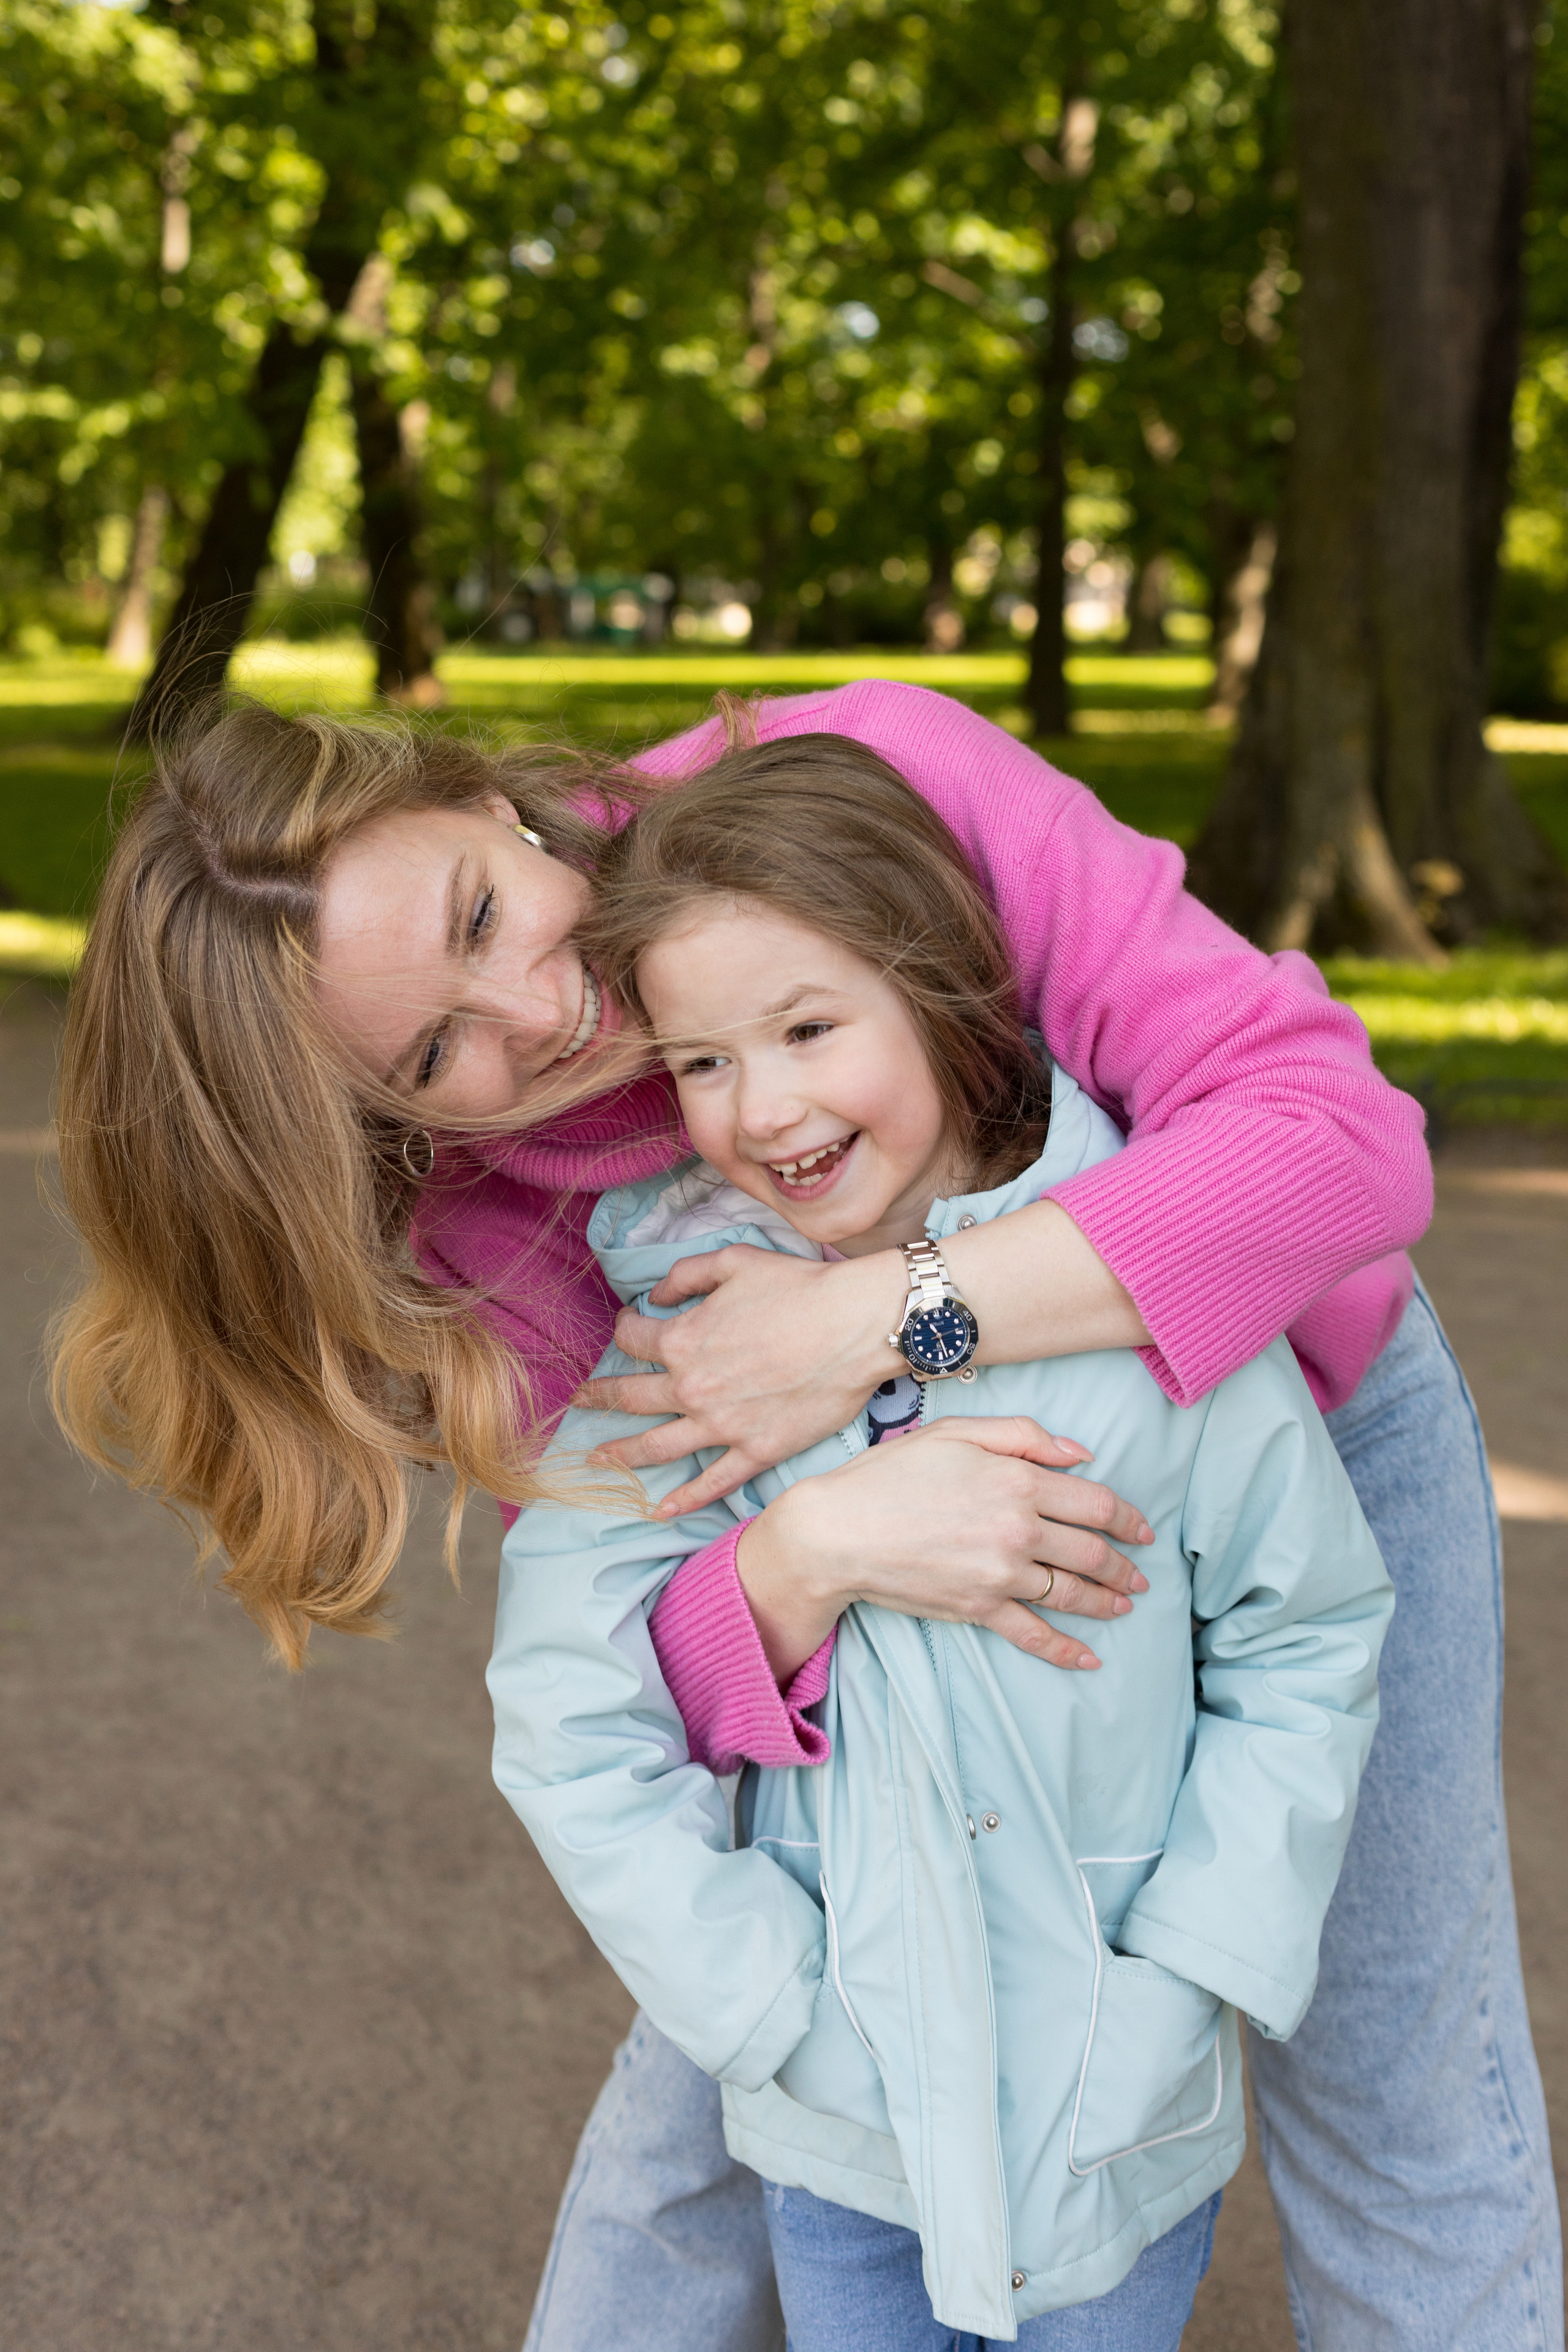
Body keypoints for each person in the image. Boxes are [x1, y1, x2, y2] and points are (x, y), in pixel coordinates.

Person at [50, 683, 1558, 2352]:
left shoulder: (856, 791)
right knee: (753, 2072)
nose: (539, 1012)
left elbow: (1337, 1153)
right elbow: (639, 1671)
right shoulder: (478, 1233)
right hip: (906, 1647)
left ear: (492, 804)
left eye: (488, 914)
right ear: (381, 1124)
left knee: (1388, 2066)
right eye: (429, 1051)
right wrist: (809, 1553)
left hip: (1297, 1434)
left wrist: (878, 1320)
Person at [489, 738, 1396, 2351]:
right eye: (700, 1063)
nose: (762, 1108)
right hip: (841, 2141)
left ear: (948, 996)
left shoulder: (1143, 1319)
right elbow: (572, 1719)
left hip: (1124, 2128)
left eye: (811, 1030)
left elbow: (1305, 1642)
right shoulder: (680, 1353)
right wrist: (781, 2016)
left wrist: (1185, 1977)